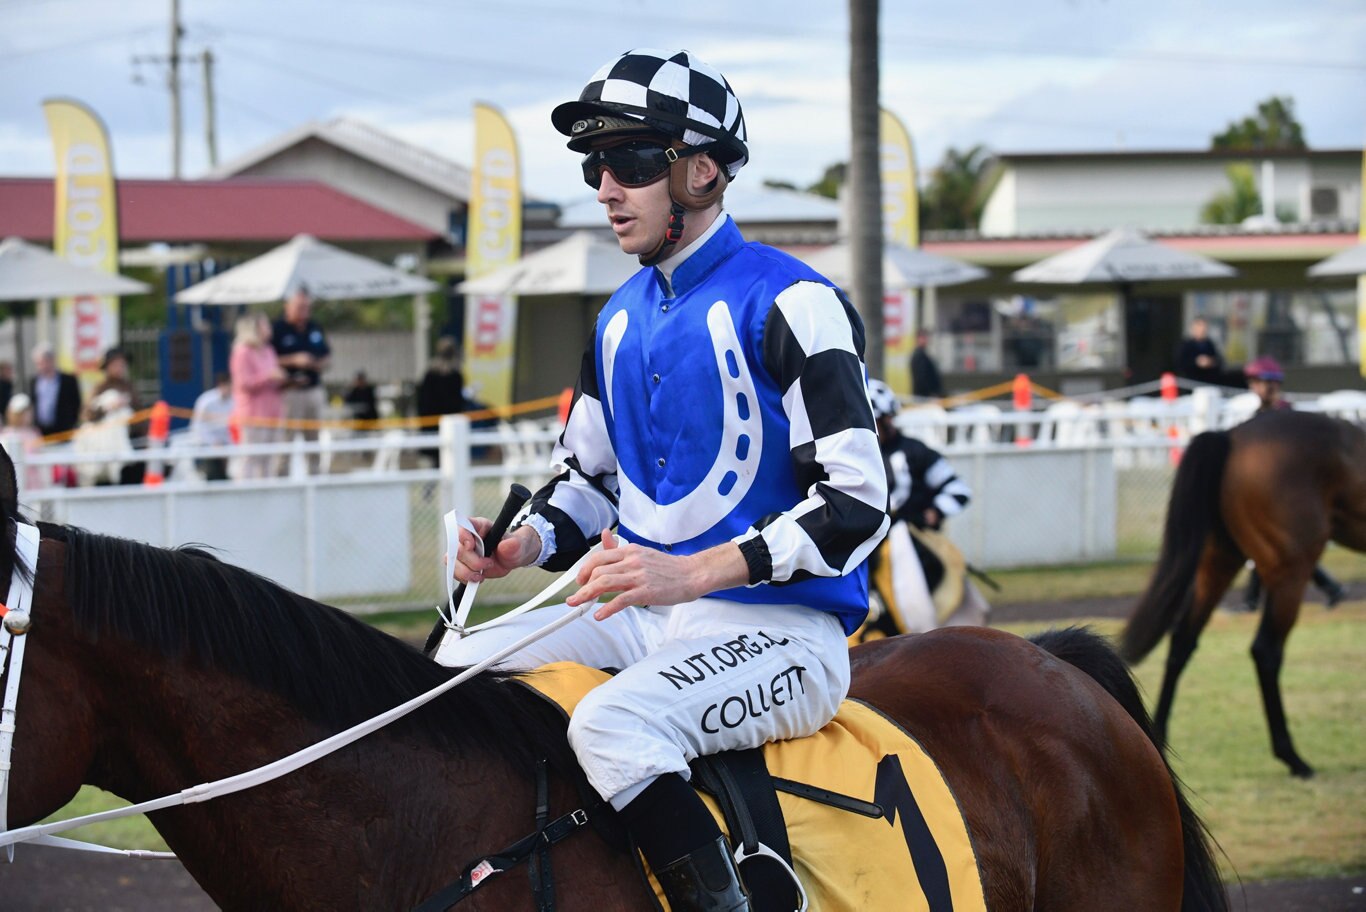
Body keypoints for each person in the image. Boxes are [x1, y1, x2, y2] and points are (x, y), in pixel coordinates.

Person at [446, 48, 887, 912]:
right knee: (451, 671)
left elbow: (857, 505)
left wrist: (692, 573)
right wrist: (520, 545)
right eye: (595, 165)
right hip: (643, 621)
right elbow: (590, 485)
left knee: (610, 724)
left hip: (787, 635)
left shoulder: (796, 302)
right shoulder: (614, 319)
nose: (606, 187)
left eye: (632, 163)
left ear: (701, 172)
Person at [859, 379, 989, 639]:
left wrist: (933, 512)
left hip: (908, 543)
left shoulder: (915, 452)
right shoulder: (850, 454)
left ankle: (927, 636)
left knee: (917, 602)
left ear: (886, 419)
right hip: (863, 541)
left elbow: (958, 490)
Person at [1237, 356, 1346, 611]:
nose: (1256, 388)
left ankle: (1252, 601)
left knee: (1281, 548)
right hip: (1267, 494)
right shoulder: (1257, 417)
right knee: (1273, 548)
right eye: (1253, 382)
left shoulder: (1287, 414)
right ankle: (1332, 589)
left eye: (1260, 382)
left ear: (1273, 385)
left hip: (1288, 496)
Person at [272, 283, 331, 474]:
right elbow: (268, 361)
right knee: (286, 438)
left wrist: (316, 363)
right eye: (299, 307)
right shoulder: (278, 329)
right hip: (289, 392)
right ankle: (282, 478)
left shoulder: (315, 327)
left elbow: (327, 356)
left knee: (313, 437)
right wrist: (294, 360)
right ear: (287, 306)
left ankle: (315, 478)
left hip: (313, 389)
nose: (304, 311)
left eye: (306, 307)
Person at [231, 313, 287, 479]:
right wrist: (268, 376)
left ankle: (267, 495)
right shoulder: (242, 352)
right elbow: (244, 383)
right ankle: (247, 494)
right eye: (265, 325)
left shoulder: (269, 350)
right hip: (253, 414)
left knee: (269, 457)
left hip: (272, 412)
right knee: (251, 457)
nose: (269, 329)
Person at [87, 347, 146, 484]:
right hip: (103, 448)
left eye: (122, 364)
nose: (120, 368)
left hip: (130, 444)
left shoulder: (130, 387)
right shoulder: (99, 388)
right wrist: (107, 407)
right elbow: (88, 414)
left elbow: (140, 415)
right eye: (116, 364)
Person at [416, 337, 466, 463]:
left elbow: (422, 400)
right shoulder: (452, 374)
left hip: (434, 422)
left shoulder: (432, 373)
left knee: (440, 458)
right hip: (439, 421)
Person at [28, 342, 81, 439]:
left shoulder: (68, 380)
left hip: (63, 430)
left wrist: (71, 423)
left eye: (44, 362)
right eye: (38, 363)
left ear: (52, 360)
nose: (42, 366)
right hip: (40, 431)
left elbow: (76, 404)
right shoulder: (34, 381)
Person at [190, 373, 234, 482]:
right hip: (207, 443)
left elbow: (233, 426)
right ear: (221, 385)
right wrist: (214, 442)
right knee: (213, 468)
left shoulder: (234, 401)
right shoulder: (206, 401)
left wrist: (227, 444)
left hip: (227, 444)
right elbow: (198, 427)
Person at [0, 393, 45, 491]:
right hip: (13, 480)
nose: (26, 415)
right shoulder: (6, 434)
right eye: (21, 412)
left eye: (27, 411)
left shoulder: (34, 432)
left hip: (33, 481)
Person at [1175, 316, 1225, 386]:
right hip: (1190, 383)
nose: (1202, 330)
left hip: (1208, 383)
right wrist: (1196, 362)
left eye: (1204, 328)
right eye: (1199, 327)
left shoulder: (1209, 344)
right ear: (1193, 329)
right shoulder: (1186, 345)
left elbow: (1219, 361)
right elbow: (1180, 363)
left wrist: (1211, 362)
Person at [909, 328, 944, 399]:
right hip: (924, 396)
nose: (926, 340)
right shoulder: (919, 356)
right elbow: (922, 378)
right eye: (924, 337)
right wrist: (931, 393)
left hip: (925, 396)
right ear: (918, 339)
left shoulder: (922, 354)